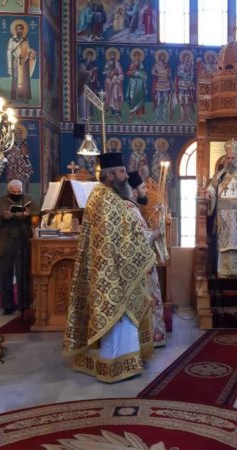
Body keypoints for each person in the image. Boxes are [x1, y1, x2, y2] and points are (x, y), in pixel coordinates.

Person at [63, 153, 156, 383]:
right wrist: (145, 242)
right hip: (112, 271)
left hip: (114, 267)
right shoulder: (104, 199)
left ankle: (124, 361)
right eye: (122, 172)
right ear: (110, 175)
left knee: (123, 320)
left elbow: (121, 233)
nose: (126, 176)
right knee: (117, 320)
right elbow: (117, 238)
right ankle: (115, 364)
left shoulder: (106, 196)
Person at [125, 171, 166, 347]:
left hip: (142, 264)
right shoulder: (130, 209)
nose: (146, 191)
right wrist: (155, 234)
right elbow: (140, 238)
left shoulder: (132, 207)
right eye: (142, 188)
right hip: (140, 266)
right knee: (149, 299)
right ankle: (151, 337)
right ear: (134, 191)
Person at [206, 138, 237, 278]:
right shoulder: (220, 174)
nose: (230, 160)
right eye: (227, 158)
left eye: (232, 158)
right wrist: (208, 193)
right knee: (225, 245)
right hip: (224, 216)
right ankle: (224, 272)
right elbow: (211, 187)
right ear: (225, 159)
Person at [0, 179, 39, 318]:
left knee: (23, 274)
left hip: (23, 240)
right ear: (8, 191)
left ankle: (24, 303)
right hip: (5, 243)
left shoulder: (28, 199)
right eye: (14, 192)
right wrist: (3, 217)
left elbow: (38, 213)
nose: (17, 194)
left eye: (19, 192)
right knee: (5, 275)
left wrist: (29, 215)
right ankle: (8, 305)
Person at [7, 20, 36, 103]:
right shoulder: (12, 40)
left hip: (24, 62)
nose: (19, 30)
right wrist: (15, 47)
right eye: (18, 29)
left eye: (21, 29)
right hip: (16, 62)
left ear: (23, 30)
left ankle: (24, 97)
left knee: (25, 79)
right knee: (15, 79)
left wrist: (30, 52)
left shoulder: (25, 40)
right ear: (15, 30)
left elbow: (27, 50)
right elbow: (9, 50)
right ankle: (14, 97)